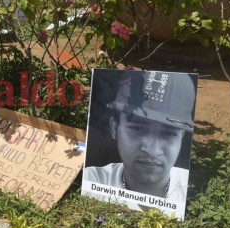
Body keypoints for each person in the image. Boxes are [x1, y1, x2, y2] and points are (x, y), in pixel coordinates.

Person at [83, 70, 196, 204]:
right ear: (114, 128)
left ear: (181, 137)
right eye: (137, 128)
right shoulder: (93, 180)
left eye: (169, 133)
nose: (153, 150)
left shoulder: (189, 192)